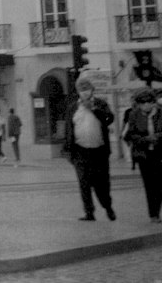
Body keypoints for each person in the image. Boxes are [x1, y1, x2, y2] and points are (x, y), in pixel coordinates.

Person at [63, 76, 116, 222]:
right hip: (80, 151)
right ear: (78, 92)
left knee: (101, 184)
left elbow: (109, 119)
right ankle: (89, 212)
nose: (85, 93)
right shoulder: (73, 108)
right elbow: (68, 129)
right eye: (82, 90)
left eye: (87, 89)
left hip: (99, 151)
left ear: (92, 90)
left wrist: (93, 109)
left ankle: (108, 207)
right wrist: (67, 150)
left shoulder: (101, 104)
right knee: (84, 183)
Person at [123, 88, 161, 223]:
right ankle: (154, 214)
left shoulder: (160, 113)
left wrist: (157, 136)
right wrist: (146, 139)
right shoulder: (134, 115)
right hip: (143, 155)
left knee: (159, 184)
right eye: (143, 102)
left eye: (149, 102)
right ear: (138, 104)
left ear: (153, 102)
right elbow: (129, 134)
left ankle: (156, 210)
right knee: (150, 185)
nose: (146, 105)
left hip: (159, 153)